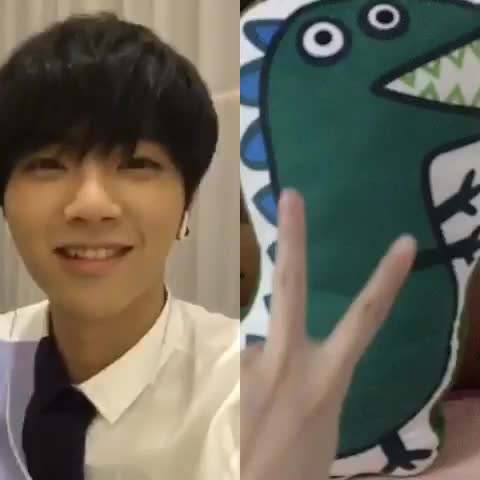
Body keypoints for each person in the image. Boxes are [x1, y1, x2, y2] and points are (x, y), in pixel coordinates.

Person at [0, 12, 238, 480]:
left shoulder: (240, 393)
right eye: (47, 164)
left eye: (136, 164)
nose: (91, 205)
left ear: (187, 202)